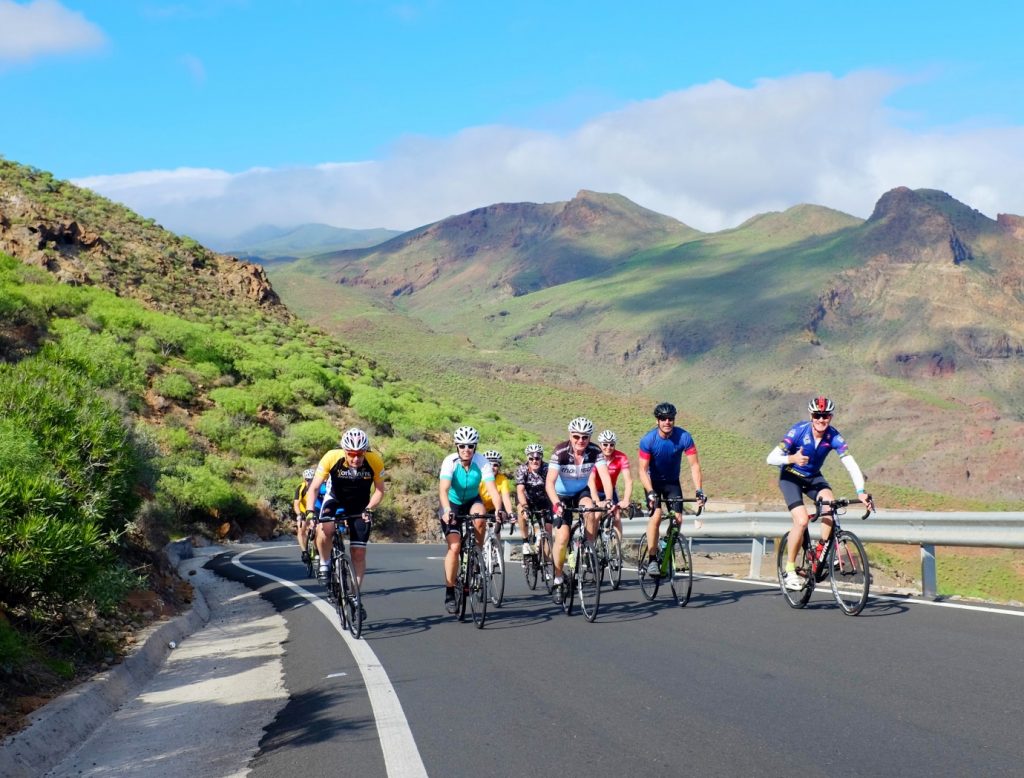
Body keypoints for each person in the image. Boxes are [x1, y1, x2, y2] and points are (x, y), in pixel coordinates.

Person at [766, 396, 871, 591]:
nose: (821, 419)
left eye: (826, 416)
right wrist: (792, 458)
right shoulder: (798, 431)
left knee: (829, 504)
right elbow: (771, 458)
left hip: (813, 477)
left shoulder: (834, 437)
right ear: (811, 416)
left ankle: (821, 552)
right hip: (791, 478)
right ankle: (789, 570)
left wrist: (861, 491)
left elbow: (851, 465)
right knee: (802, 521)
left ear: (830, 417)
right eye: (817, 415)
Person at [306, 428, 386, 608]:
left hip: (360, 505)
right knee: (325, 528)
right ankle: (325, 563)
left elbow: (380, 490)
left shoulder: (374, 460)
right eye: (351, 454)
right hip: (335, 500)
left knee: (358, 552)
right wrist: (310, 512)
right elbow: (314, 488)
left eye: (360, 454)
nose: (356, 459)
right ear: (344, 451)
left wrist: (370, 509)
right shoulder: (331, 457)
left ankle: (355, 595)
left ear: (366, 451)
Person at [544, 417, 613, 599]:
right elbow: (549, 482)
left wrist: (610, 499)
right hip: (561, 495)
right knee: (563, 537)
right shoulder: (560, 451)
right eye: (576, 436)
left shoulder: (595, 451)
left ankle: (588, 549)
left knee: (590, 509)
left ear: (590, 438)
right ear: (570, 435)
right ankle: (558, 580)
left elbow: (605, 477)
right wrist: (556, 504)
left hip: (580, 492)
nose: (580, 440)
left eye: (585, 437)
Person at [438, 426, 503, 613]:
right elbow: (443, 490)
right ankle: (450, 591)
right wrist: (448, 510)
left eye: (471, 446)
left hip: (472, 500)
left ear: (475, 447)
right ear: (457, 446)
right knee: (455, 547)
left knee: (481, 518)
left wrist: (499, 509)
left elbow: (492, 489)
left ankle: (477, 554)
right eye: (462, 446)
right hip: (451, 503)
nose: (466, 449)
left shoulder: (481, 461)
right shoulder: (449, 461)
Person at [637, 402, 706, 576]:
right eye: (663, 419)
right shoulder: (648, 440)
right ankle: (652, 559)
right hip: (653, 483)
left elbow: (695, 465)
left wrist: (699, 491)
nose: (667, 422)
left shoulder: (684, 437)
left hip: (672, 483)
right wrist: (651, 492)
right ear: (657, 421)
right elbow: (642, 470)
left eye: (670, 418)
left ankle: (665, 544)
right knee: (657, 515)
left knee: (678, 520)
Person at [588, 430, 633, 542]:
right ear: (600, 445)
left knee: (617, 517)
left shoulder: (621, 457)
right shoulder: (595, 457)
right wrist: (596, 500)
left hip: (610, 490)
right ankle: (591, 548)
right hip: (594, 490)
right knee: (597, 515)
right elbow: (591, 480)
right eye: (605, 444)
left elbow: (628, 481)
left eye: (611, 444)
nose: (608, 447)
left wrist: (626, 500)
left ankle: (616, 550)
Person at [514, 443, 552, 561]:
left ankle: (546, 561)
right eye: (531, 458)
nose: (534, 461)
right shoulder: (522, 469)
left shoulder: (547, 468)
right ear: (527, 458)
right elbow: (520, 490)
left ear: (541, 458)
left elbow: (552, 487)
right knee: (521, 510)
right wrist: (525, 507)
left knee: (548, 529)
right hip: (526, 499)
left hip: (543, 499)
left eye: (537, 458)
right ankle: (525, 542)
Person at [479, 450, 513, 530]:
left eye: (495, 465)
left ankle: (496, 541)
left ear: (499, 467)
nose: (492, 467)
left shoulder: (502, 479)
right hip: (479, 505)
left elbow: (506, 498)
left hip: (493, 507)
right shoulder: (479, 477)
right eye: (489, 464)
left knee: (499, 521)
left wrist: (510, 512)